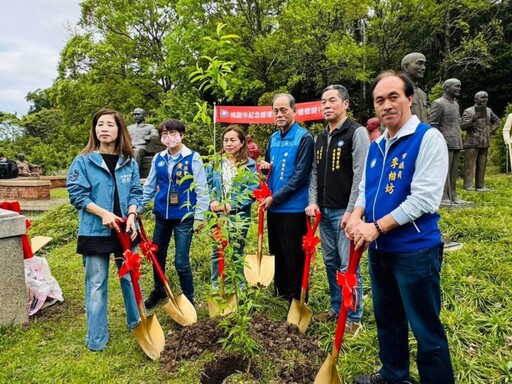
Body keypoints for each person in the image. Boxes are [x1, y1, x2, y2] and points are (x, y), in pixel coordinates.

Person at [346, 71, 454, 384]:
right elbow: (367, 188)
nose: (387, 105)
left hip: (414, 251)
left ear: (409, 98)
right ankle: (393, 375)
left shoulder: (427, 138)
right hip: (380, 250)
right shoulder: (378, 144)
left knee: (424, 326)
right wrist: (356, 215)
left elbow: (424, 199)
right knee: (388, 319)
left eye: (394, 97)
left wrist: (375, 228)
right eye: (380, 100)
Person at [66, 108, 142, 352]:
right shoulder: (84, 160)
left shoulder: (129, 161)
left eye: (110, 124)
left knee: (131, 278)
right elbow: (77, 194)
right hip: (95, 230)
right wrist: (104, 214)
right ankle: (97, 338)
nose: (105, 129)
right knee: (97, 283)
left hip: (126, 230)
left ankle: (138, 323)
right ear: (94, 130)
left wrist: (131, 214)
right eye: (100, 124)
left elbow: (136, 193)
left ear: (120, 129)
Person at [304, 85, 368, 335]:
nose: (327, 105)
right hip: (324, 212)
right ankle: (336, 306)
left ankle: (353, 316)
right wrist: (313, 201)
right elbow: (314, 174)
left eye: (332, 100)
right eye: (323, 102)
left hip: (345, 213)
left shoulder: (356, 133)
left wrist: (352, 211)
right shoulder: (320, 137)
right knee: (331, 262)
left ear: (346, 104)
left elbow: (360, 175)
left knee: (348, 266)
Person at [137, 119, 209, 309]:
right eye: (164, 134)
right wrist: (138, 208)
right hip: (162, 216)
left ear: (182, 135)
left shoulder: (193, 158)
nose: (169, 137)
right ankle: (159, 289)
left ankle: (189, 298)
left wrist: (200, 216)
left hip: (184, 217)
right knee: (156, 256)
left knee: (181, 261)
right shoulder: (158, 158)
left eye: (173, 133)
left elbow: (202, 189)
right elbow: (150, 186)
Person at [259, 93, 314, 301]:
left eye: (284, 110)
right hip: (273, 208)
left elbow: (300, 176)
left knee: (294, 256)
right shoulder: (273, 138)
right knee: (278, 253)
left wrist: (276, 198)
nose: (279, 114)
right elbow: (268, 170)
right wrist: (264, 173)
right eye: (276, 111)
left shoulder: (304, 138)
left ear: (294, 111)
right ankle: (281, 294)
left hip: (294, 208)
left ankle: (296, 297)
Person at [207, 125, 258, 289]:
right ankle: (217, 285)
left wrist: (232, 204)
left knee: (237, 249)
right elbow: (205, 184)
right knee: (217, 250)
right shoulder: (215, 163)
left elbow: (252, 190)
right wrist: (212, 201)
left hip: (238, 215)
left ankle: (239, 286)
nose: (228, 144)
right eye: (226, 140)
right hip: (217, 215)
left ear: (242, 142)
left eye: (233, 140)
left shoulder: (250, 165)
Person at [429, 78, 464, 206]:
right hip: (444, 143)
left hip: (456, 141)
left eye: (459, 86)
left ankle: (453, 194)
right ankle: (442, 195)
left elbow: (457, 123)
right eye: (456, 86)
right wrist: (439, 141)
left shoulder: (456, 104)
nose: (459, 89)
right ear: (447, 88)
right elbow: (433, 124)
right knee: (444, 170)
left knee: (454, 171)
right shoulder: (438, 103)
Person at [461, 91, 500, 191]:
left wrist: (491, 131)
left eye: (486, 97)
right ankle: (468, 185)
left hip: (484, 141)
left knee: (482, 165)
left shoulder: (488, 110)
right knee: (469, 165)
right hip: (472, 142)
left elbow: (497, 121)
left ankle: (480, 185)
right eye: (482, 97)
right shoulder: (469, 111)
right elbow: (463, 126)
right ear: (475, 99)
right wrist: (472, 120)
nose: (485, 99)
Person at [401, 52, 428, 123]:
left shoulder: (422, 94)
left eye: (424, 64)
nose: (423, 68)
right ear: (406, 67)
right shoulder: (398, 91)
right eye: (419, 63)